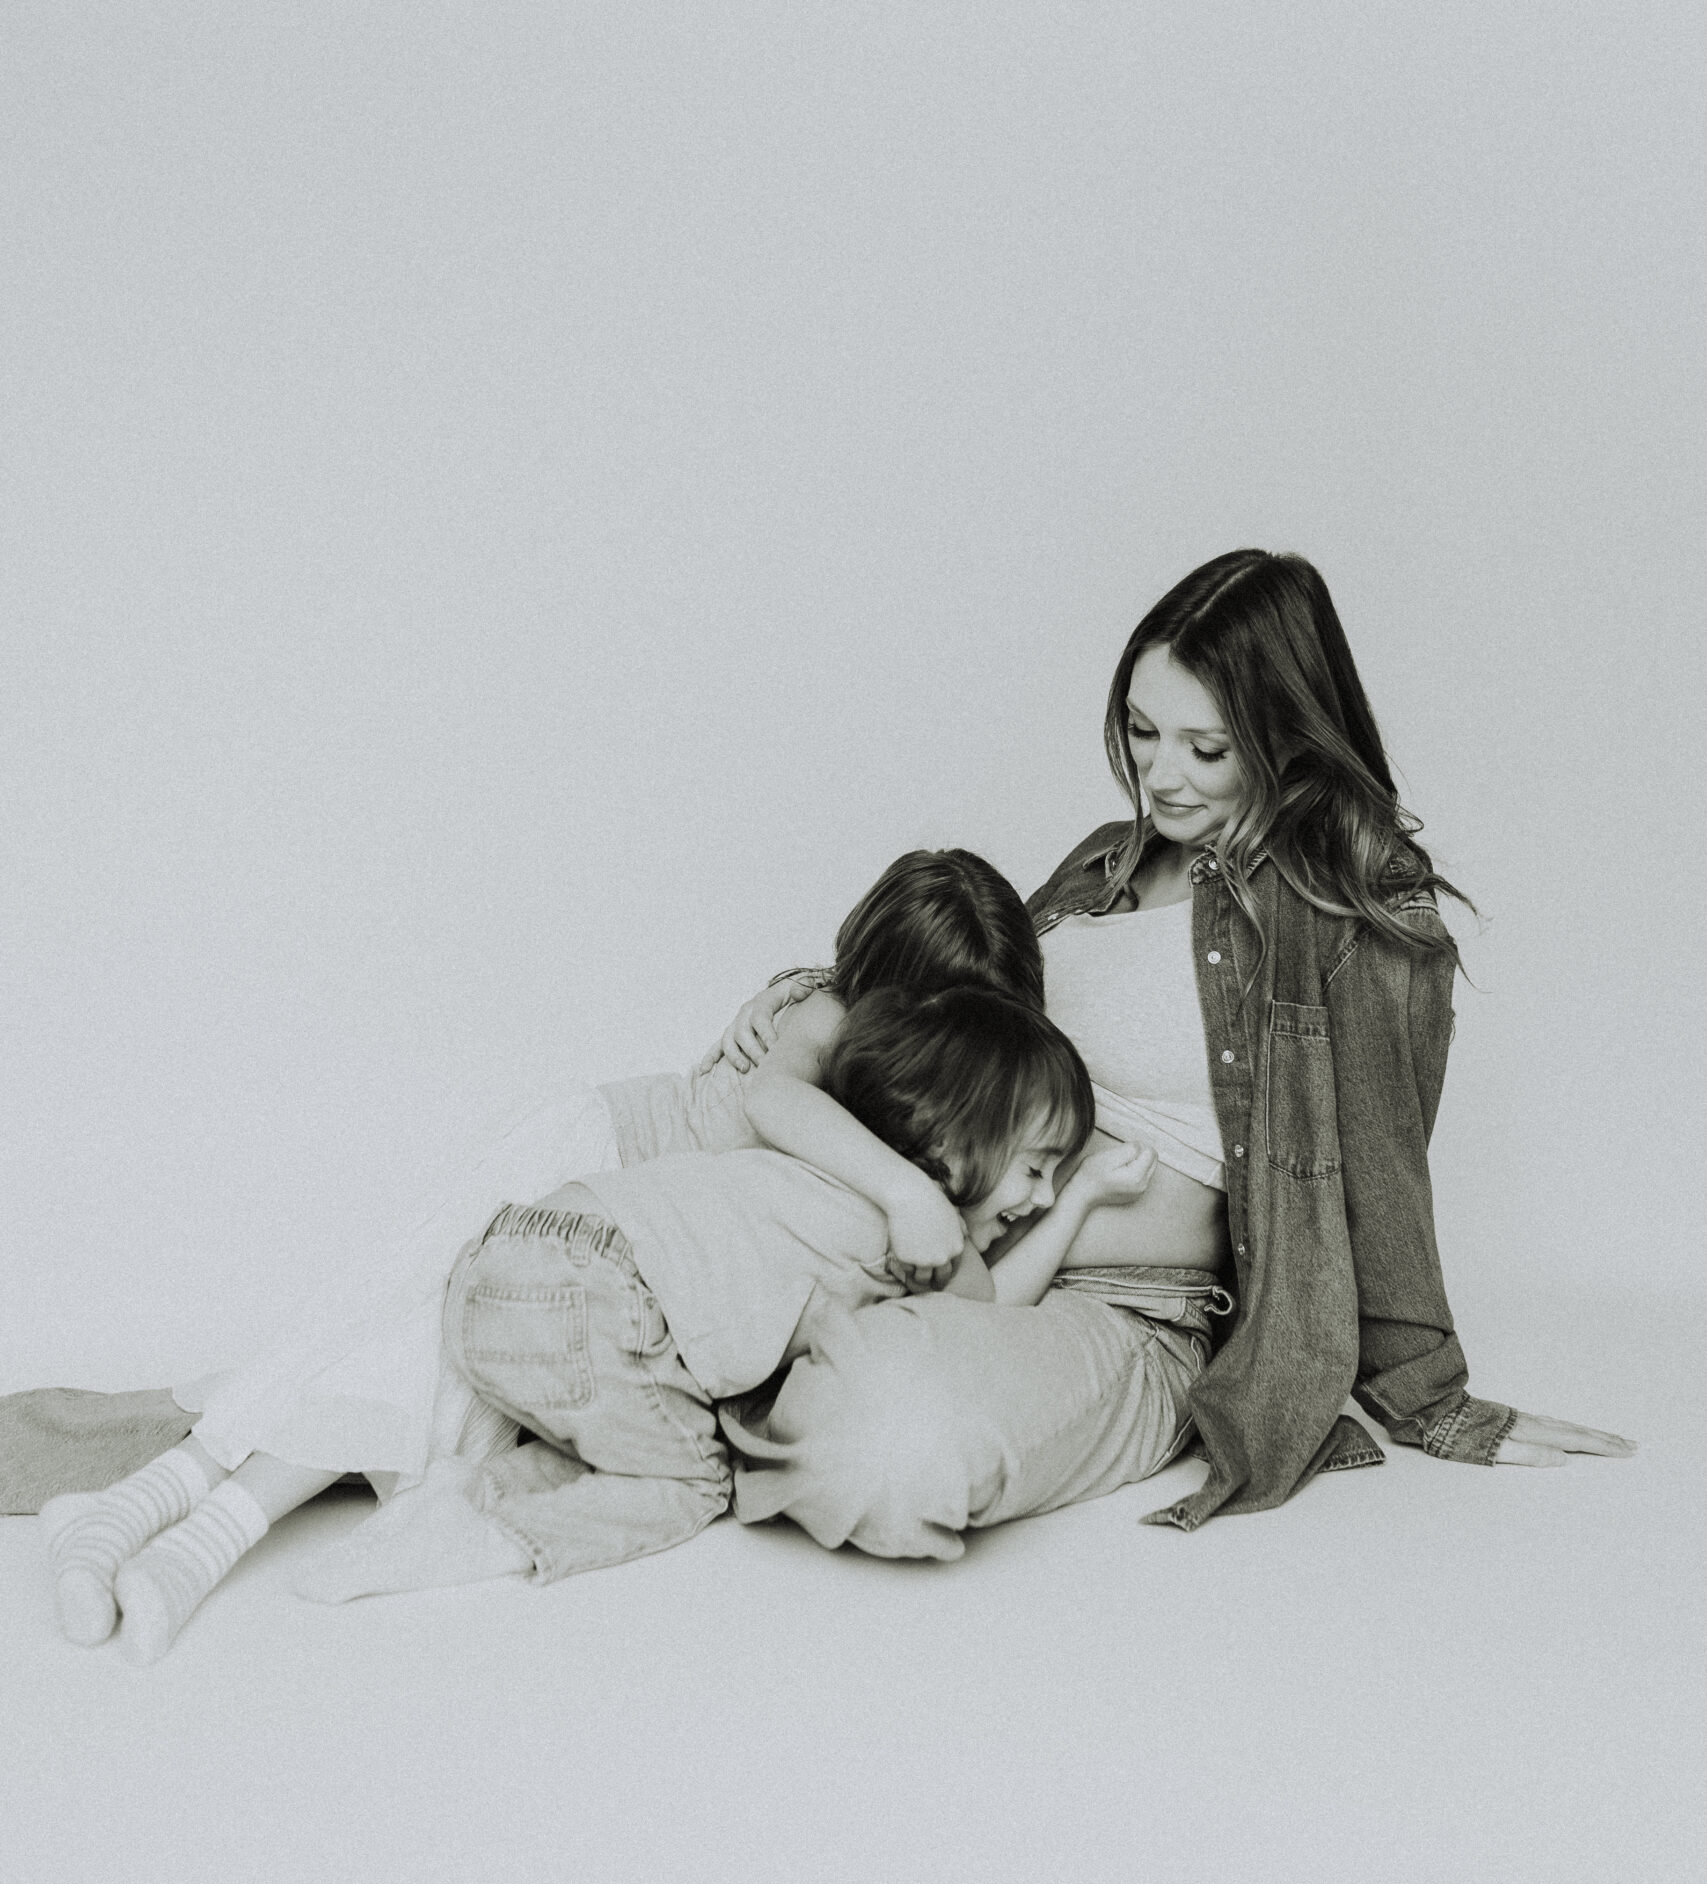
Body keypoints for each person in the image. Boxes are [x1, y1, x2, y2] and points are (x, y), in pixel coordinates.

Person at [706, 549, 1635, 1556]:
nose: (1159, 774)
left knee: (881, 1449)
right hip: (930, 1213)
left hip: (1118, 1308)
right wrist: (814, 991)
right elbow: (954, 999)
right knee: (675, 1178)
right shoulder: (1106, 860)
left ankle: (762, 1387)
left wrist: (1433, 1400)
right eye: (1144, 733)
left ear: (1288, 736)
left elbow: (1379, 1165)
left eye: (1207, 748)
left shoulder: (1355, 917)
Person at [34, 852, 1151, 1654]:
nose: (964, 1053)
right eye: (953, 1019)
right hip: (587, 1161)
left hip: (608, 1248)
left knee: (404, 1384)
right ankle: (149, 1493)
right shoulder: (821, 1035)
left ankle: (149, 1521)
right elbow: (772, 1099)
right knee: (366, 1334)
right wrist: (915, 1191)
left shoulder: (861, 1087)